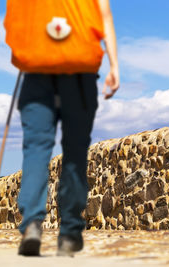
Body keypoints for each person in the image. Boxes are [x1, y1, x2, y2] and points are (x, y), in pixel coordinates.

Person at [16, 0, 119, 257]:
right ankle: (70, 232)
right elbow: (104, 16)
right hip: (79, 70)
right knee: (75, 152)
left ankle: (31, 224)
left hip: (39, 69)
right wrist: (114, 66)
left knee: (36, 149)